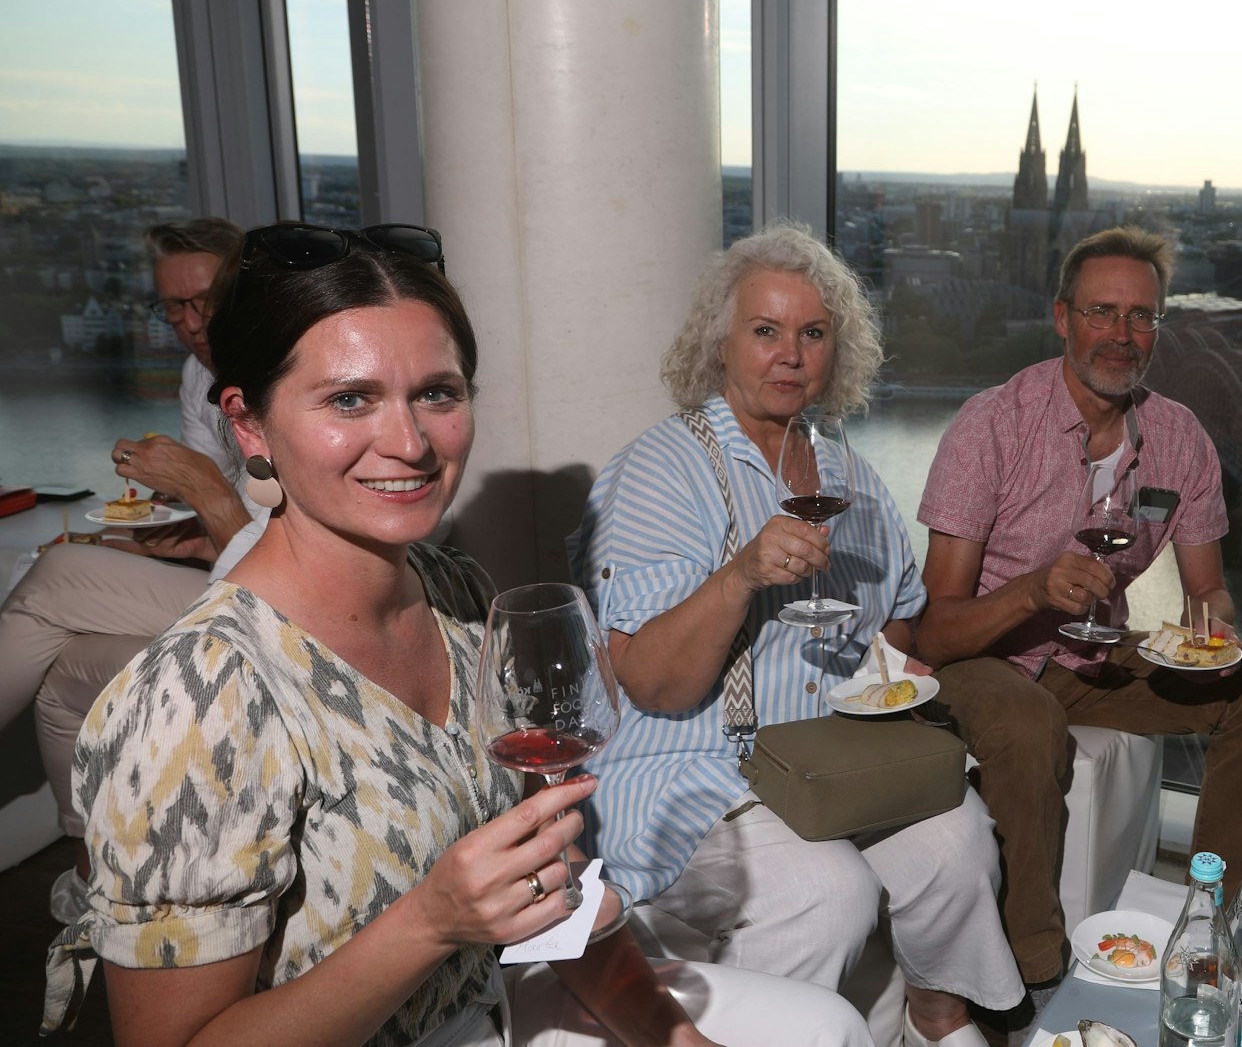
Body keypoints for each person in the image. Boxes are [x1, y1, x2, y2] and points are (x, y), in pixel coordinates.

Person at [43, 221, 870, 1047]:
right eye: (349, 399)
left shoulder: (460, 594)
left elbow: (546, 880)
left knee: (828, 1025)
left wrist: (673, 1037)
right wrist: (431, 921)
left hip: (491, 1001)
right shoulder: (197, 697)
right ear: (250, 426)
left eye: (437, 393)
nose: (409, 443)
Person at [568, 222, 1022, 1047]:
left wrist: (886, 681)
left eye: (812, 333)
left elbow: (900, 612)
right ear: (720, 342)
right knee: (828, 890)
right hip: (692, 763)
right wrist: (739, 575)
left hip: (823, 757)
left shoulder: (846, 470)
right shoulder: (660, 470)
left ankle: (936, 1019)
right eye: (765, 330)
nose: (790, 355)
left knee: (961, 841)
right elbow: (653, 683)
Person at [912, 225, 1242, 991]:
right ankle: (1031, 976)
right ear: (1063, 318)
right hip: (985, 656)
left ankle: (1216, 933)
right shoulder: (991, 425)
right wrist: (1031, 590)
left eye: (1141, 316)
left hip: (1089, 654)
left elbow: (1208, 591)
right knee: (1027, 721)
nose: (1121, 334)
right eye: (1102, 312)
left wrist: (1212, 628)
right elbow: (936, 627)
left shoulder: (1178, 437)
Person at [0, 218, 266, 910]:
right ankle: (90, 868)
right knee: (65, 672)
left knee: (57, 576)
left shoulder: (284, 380)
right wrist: (179, 537)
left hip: (287, 615)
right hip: (234, 578)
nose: (192, 323)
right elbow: (227, 519)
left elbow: (283, 564)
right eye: (173, 306)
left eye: (206, 300)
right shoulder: (199, 375)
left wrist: (205, 498)